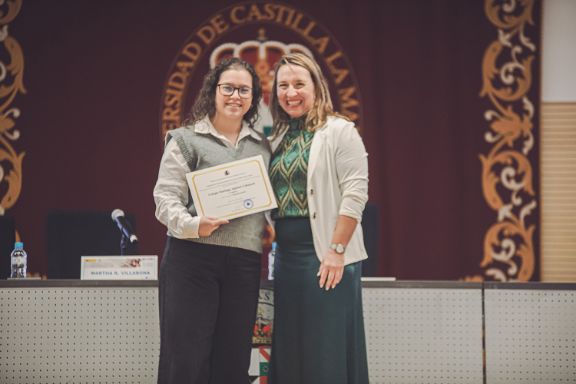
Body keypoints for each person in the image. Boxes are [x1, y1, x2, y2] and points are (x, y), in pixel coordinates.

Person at [153, 57, 269, 384]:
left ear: (253, 97)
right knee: (185, 358)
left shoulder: (262, 147)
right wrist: (194, 225)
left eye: (243, 90)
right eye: (228, 88)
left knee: (232, 361)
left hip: (245, 262)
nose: (235, 96)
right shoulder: (185, 140)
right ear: (213, 91)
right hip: (192, 258)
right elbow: (164, 199)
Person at [267, 52, 370, 384]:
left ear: (317, 87)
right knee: (289, 352)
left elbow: (355, 195)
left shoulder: (341, 131)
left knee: (325, 354)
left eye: (299, 84)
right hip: (285, 261)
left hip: (327, 257)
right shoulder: (276, 140)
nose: (290, 92)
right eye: (283, 85)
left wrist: (337, 250)